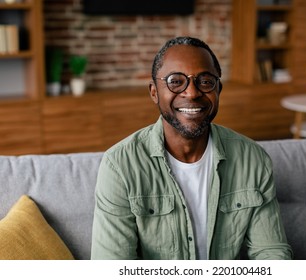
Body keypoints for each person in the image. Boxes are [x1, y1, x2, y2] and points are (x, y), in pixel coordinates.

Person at [91, 36, 292, 260]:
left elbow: (271, 252)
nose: (192, 93)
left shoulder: (253, 159)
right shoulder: (120, 166)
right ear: (154, 92)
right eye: (176, 81)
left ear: (218, 90)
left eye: (205, 81)